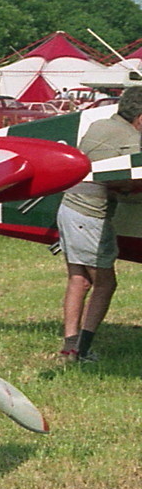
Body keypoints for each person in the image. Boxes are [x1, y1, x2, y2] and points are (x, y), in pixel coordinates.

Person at [56, 85, 142, 362]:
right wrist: (131, 188)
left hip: (68, 208)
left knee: (78, 280)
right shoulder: (130, 138)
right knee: (105, 283)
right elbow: (122, 180)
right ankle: (81, 349)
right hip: (91, 216)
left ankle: (70, 347)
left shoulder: (99, 124)